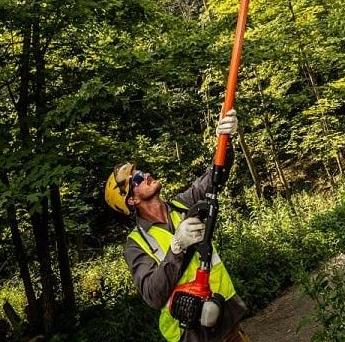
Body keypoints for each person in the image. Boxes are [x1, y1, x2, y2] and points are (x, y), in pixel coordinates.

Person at [105, 109, 251, 342]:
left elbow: (215, 175)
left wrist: (226, 141)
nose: (146, 174)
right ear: (131, 200)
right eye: (137, 179)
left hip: (227, 319)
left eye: (142, 171)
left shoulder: (182, 204)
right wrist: (176, 248)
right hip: (193, 335)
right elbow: (153, 294)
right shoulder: (136, 244)